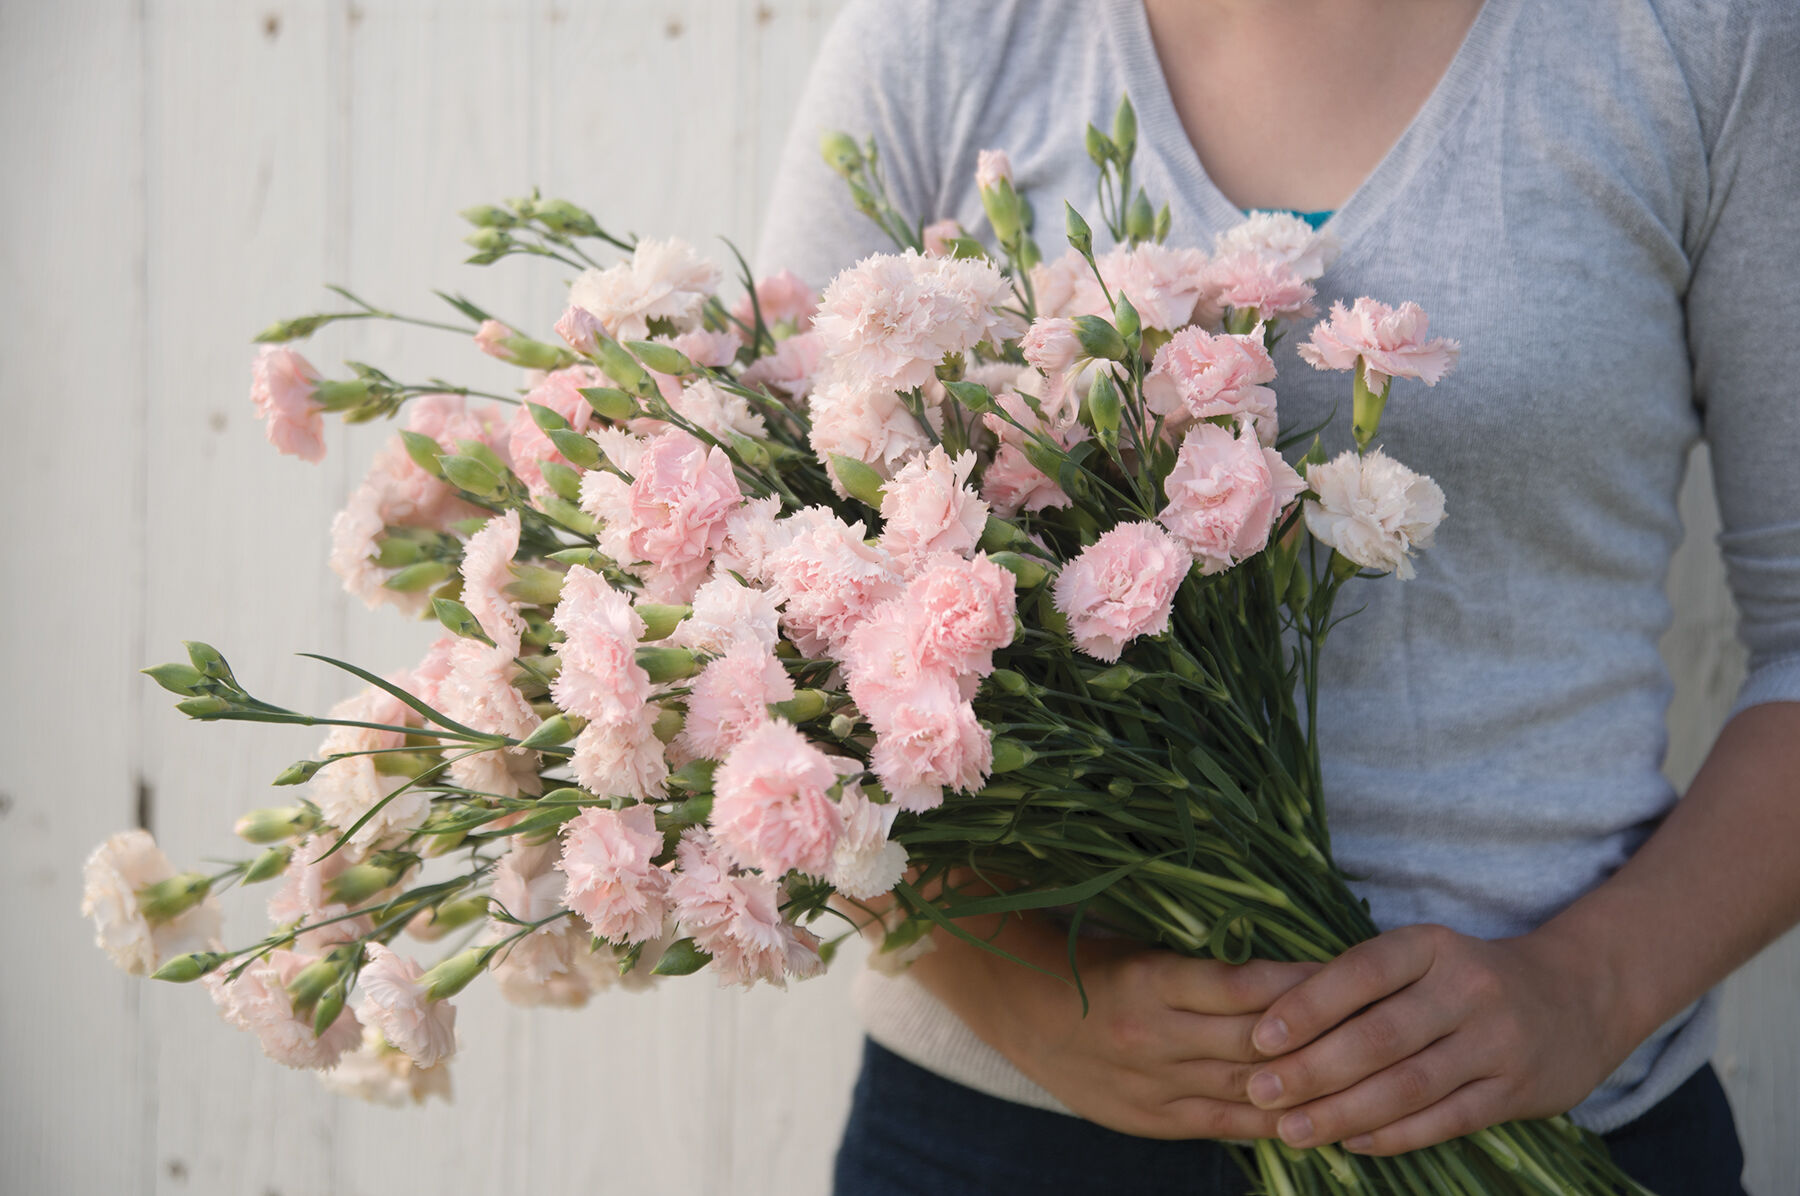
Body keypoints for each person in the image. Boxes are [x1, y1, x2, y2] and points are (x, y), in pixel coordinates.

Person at [752, 2, 1800, 1192]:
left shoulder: (1699, 39)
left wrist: (1589, 987)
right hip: (1000, 1126)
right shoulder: (945, 37)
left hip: (1547, 1117)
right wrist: (1025, 993)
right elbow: (770, 618)